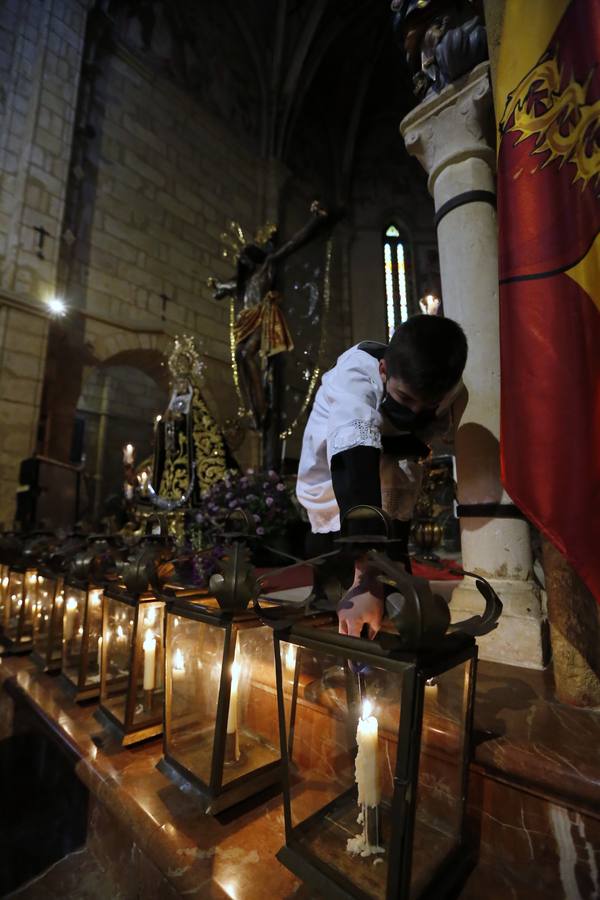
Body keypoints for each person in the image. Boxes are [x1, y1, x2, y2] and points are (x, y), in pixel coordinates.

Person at [296, 314, 468, 638]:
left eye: (426, 404)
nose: (414, 411)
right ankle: (332, 606)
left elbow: (434, 429)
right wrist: (366, 568)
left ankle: (392, 603)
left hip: (395, 461)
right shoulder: (355, 376)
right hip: (340, 466)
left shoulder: (452, 388)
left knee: (395, 533)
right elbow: (355, 458)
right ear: (384, 371)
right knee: (336, 550)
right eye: (405, 399)